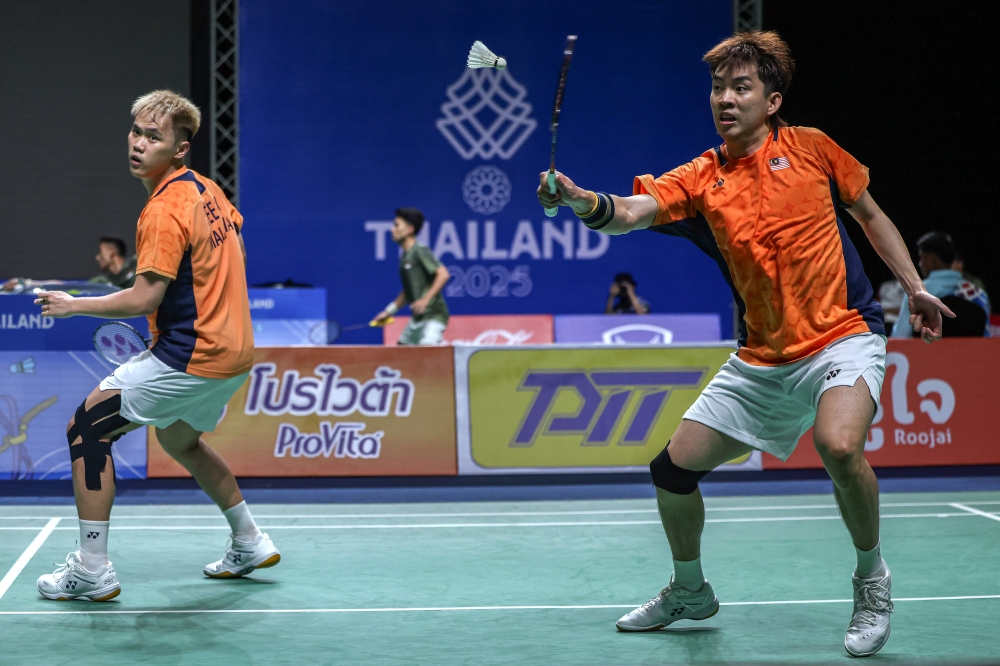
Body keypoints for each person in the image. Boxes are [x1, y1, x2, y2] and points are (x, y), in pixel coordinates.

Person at [537, 31, 954, 657]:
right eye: (717, 87)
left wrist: (914, 287)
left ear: (773, 99)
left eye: (741, 87)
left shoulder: (813, 151)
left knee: (839, 446)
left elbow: (869, 214)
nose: (724, 99)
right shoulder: (703, 177)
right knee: (672, 470)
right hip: (761, 358)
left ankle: (871, 578)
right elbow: (628, 211)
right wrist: (578, 199)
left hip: (843, 334)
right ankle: (689, 590)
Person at [33, 90, 280, 601]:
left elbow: (145, 295)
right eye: (136, 132)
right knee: (179, 440)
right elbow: (237, 240)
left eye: (154, 137)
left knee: (87, 427)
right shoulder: (208, 192)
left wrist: (74, 304)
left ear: (180, 148)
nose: (139, 144)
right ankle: (250, 541)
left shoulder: (163, 210)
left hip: (194, 352)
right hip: (235, 353)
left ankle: (91, 570)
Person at [373, 208, 450, 345]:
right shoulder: (405, 256)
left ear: (409, 229)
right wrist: (388, 312)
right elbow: (409, 291)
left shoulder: (419, 250)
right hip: (418, 318)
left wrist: (425, 300)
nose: (392, 229)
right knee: (402, 354)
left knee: (426, 352)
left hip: (434, 316)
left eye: (397, 225)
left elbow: (443, 274)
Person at [892, 232, 989, 337]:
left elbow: (901, 336)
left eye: (921, 258)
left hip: (926, 352)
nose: (920, 263)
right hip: (973, 353)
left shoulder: (917, 292)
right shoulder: (978, 293)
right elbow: (987, 337)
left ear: (931, 259)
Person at [1, 237, 137, 293]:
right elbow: (69, 286)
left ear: (112, 253)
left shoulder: (138, 263)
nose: (97, 257)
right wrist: (28, 283)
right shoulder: (102, 282)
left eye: (101, 253)